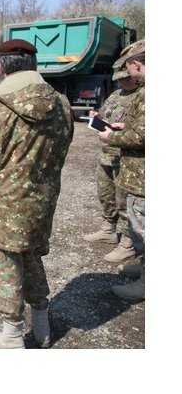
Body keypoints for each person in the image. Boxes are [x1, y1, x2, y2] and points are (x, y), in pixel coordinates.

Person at [0, 39, 74, 348]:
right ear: (35, 65)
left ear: (1, 67)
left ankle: (10, 335)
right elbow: (62, 149)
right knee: (32, 256)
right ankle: (42, 327)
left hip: (4, 206)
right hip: (42, 203)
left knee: (6, 262)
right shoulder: (62, 103)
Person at [99, 39, 145, 301]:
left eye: (128, 70)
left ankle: (147, 282)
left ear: (134, 64)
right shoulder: (119, 95)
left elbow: (143, 134)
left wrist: (113, 137)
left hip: (139, 170)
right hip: (135, 168)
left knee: (143, 224)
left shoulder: (146, 93)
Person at [83, 58, 141, 265]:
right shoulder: (116, 95)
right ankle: (108, 229)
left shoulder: (141, 97)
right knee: (105, 194)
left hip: (126, 157)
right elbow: (106, 114)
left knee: (124, 200)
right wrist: (97, 115)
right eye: (120, 79)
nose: (123, 82)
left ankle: (128, 242)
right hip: (106, 153)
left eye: (126, 78)